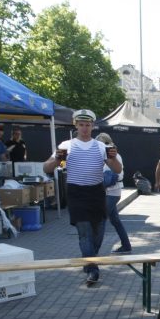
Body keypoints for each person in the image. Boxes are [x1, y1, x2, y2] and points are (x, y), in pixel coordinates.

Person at [43, 109, 121, 285]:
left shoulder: (101, 146)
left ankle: (88, 260)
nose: (85, 128)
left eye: (88, 125)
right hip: (76, 193)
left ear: (93, 126)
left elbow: (117, 170)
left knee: (99, 232)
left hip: (96, 193)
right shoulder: (66, 145)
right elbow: (46, 168)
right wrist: (56, 160)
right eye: (81, 125)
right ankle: (93, 269)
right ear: (75, 125)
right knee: (84, 232)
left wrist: (114, 158)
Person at [97, 133, 132, 254]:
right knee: (115, 221)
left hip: (111, 193)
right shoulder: (113, 154)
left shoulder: (112, 155)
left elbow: (110, 176)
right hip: (112, 192)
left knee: (100, 220)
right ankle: (126, 245)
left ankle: (93, 251)